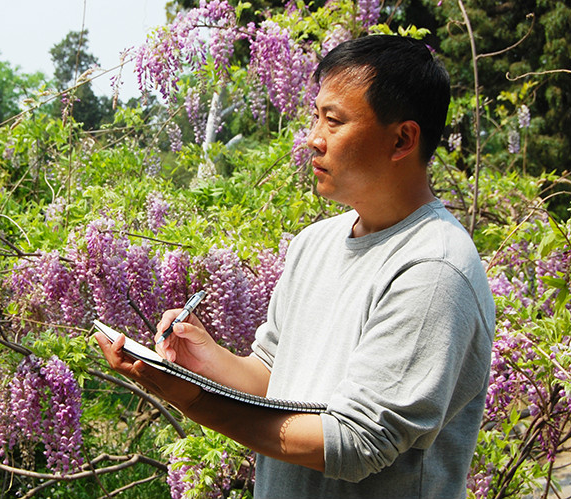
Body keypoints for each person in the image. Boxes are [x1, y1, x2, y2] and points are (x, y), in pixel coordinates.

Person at [95, 34, 495, 499]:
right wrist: (203, 361)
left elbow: (356, 443)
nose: (313, 138)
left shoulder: (433, 267)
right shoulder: (315, 243)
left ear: (403, 138)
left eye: (334, 120)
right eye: (315, 116)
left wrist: (190, 399)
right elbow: (272, 379)